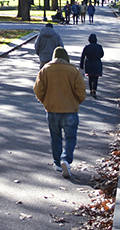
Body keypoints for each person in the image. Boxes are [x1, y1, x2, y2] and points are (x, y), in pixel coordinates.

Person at [34, 46, 87, 178]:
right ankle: (66, 159)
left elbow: (38, 89)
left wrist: (46, 102)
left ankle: (57, 162)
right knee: (70, 137)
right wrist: (76, 102)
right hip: (70, 110)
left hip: (52, 109)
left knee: (55, 137)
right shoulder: (73, 71)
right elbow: (81, 91)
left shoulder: (45, 70)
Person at [79, 33, 104, 97]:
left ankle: (91, 90)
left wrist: (81, 65)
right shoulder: (99, 47)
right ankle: (94, 90)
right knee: (95, 78)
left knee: (90, 78)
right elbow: (102, 55)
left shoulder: (86, 47)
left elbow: (82, 57)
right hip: (97, 64)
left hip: (89, 64)